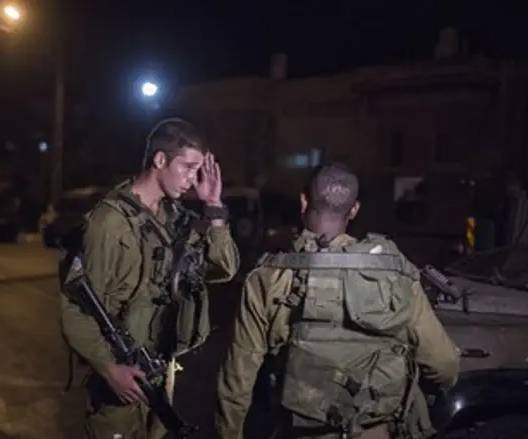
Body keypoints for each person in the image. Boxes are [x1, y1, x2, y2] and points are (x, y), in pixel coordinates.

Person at [215, 163, 460, 439]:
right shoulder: (396, 273)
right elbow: (444, 364)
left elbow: (236, 382)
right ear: (354, 209)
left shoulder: (269, 277)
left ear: (303, 200)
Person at [61, 118, 240, 439]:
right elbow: (77, 305)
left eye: (198, 170)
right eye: (187, 167)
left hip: (160, 370)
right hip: (121, 375)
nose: (192, 179)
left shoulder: (176, 220)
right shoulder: (110, 223)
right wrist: (107, 368)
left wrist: (213, 207)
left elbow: (223, 269)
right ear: (160, 160)